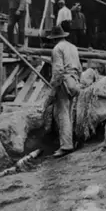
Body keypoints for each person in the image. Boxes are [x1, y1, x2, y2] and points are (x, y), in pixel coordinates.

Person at [47, 25, 82, 158]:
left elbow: (58, 71)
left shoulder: (57, 49)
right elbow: (79, 67)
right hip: (75, 81)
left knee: (62, 114)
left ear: (54, 39)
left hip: (65, 82)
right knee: (69, 113)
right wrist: (78, 81)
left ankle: (66, 146)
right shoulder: (73, 47)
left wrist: (54, 87)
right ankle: (72, 140)